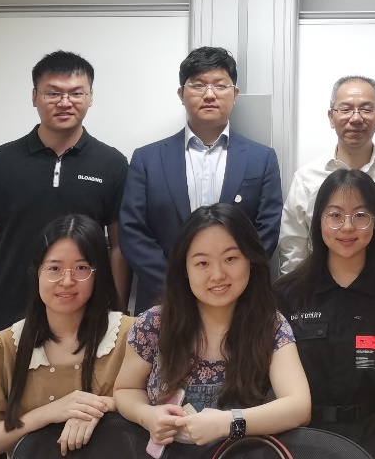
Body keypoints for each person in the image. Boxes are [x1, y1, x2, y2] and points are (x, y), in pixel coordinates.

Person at [0, 51, 130, 378]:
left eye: (76, 93)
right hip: (6, 317)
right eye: (53, 93)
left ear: (90, 97)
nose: (65, 102)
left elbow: (120, 247)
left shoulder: (113, 164)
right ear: (34, 96)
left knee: (82, 409)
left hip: (85, 323)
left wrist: (117, 318)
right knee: (3, 408)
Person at [114, 203, 310, 448]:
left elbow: (299, 406)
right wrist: (148, 415)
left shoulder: (270, 325)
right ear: (184, 269)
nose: (217, 275)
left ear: (250, 260)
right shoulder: (153, 324)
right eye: (202, 263)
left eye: (231, 258)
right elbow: (125, 389)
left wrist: (229, 423)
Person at [119, 46, 283, 313]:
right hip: (164, 303)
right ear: (181, 94)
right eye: (197, 85)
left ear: (235, 94)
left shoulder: (262, 158)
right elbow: (132, 231)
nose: (209, 94)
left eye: (220, 85)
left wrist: (228, 281)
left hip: (238, 303)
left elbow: (267, 231)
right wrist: (177, 284)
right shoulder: (146, 159)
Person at [0, 214, 134, 458]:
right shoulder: (4, 346)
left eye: (81, 268)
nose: (67, 281)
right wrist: (49, 413)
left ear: (98, 274)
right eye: (54, 268)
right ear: (37, 272)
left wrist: (102, 407)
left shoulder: (132, 336)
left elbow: (166, 409)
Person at [276, 168, 375, 459]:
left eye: (360, 215)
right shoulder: (286, 296)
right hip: (301, 440)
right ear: (318, 221)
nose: (347, 227)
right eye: (335, 215)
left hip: (374, 442)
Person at [279, 75, 375, 285]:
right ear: (331, 117)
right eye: (346, 109)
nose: (356, 118)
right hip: (320, 297)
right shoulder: (306, 178)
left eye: (366, 109)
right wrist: (296, 297)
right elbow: (293, 250)